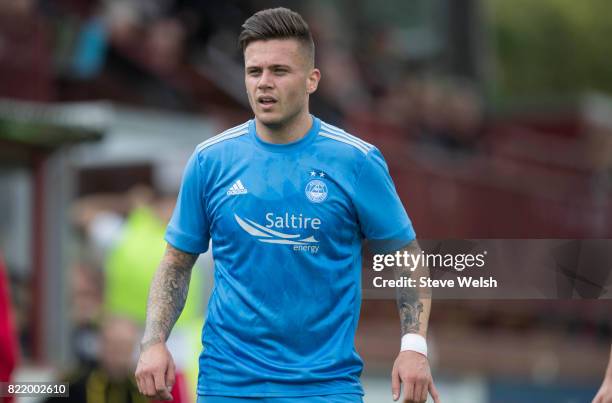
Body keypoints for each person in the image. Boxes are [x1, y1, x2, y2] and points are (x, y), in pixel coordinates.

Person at [135, 7, 438, 403]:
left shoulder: (355, 162)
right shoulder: (211, 161)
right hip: (229, 386)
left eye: (279, 71)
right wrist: (154, 341)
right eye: (253, 71)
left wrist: (413, 346)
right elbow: (176, 261)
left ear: (312, 80)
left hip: (325, 388)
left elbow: (406, 257)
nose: (264, 83)